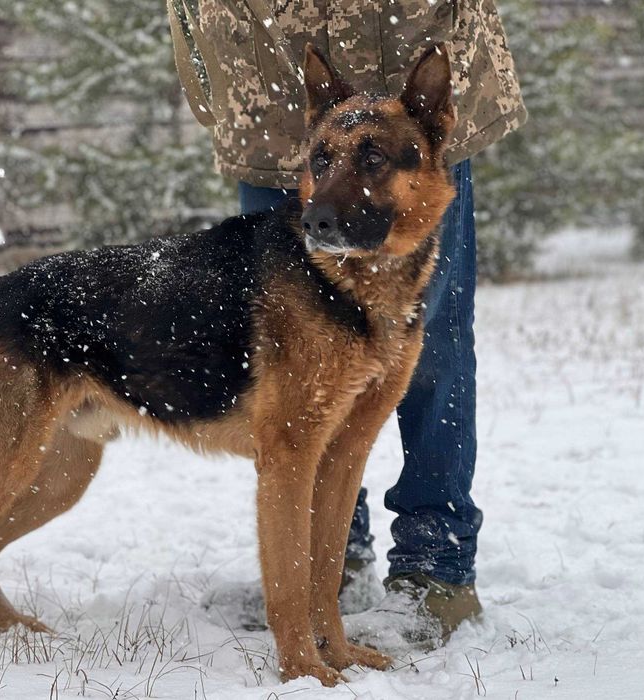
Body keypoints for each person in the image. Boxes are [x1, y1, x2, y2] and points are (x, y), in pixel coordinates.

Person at [167, 0, 527, 647]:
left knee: (428, 346)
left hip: (410, 52)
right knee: (298, 375)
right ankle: (317, 567)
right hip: (268, 74)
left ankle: (433, 563)